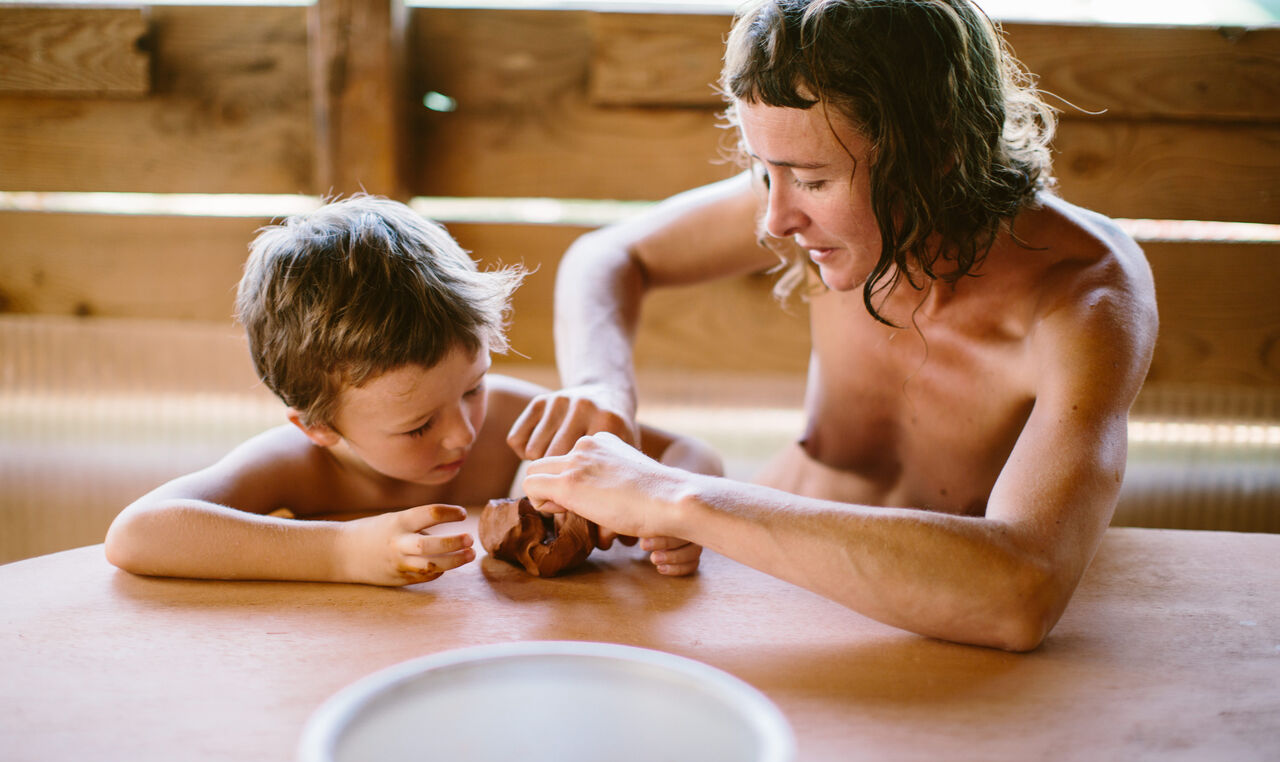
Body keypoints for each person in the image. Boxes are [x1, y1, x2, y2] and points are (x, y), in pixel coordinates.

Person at [508, 0, 1158, 651]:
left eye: (813, 181)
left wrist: (678, 496)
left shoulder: (1085, 297)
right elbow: (608, 254)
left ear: (936, 154)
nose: (773, 220)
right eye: (764, 172)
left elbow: (1022, 589)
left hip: (935, 641)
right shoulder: (815, 196)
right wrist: (602, 388)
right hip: (743, 591)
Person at [105, 195, 721, 585]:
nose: (463, 431)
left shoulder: (513, 413)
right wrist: (339, 554)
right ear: (319, 428)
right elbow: (139, 532)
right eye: (418, 426)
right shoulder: (299, 465)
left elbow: (690, 454)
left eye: (472, 388)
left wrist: (671, 511)